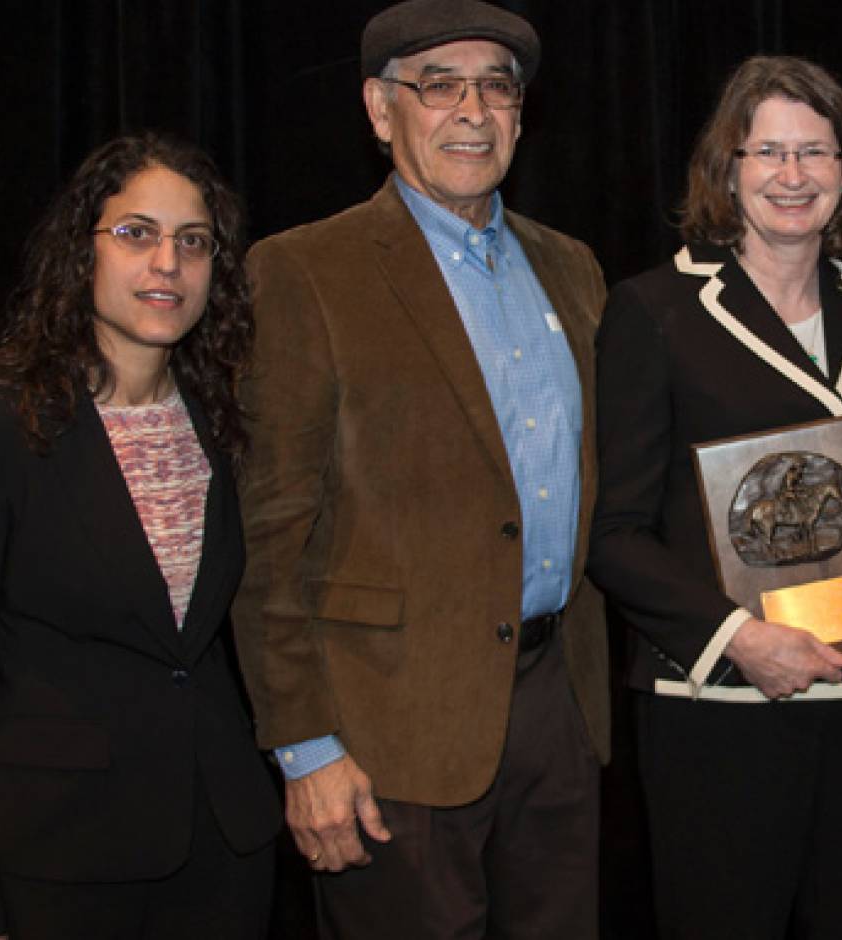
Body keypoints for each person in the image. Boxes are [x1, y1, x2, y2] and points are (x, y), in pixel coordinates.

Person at [230, 0, 610, 936]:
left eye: (497, 86)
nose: (472, 110)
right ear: (377, 108)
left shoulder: (574, 268)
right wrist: (305, 749)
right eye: (438, 85)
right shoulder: (305, 271)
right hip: (384, 731)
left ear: (521, 113)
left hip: (556, 711)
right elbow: (266, 535)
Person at [0, 133, 279, 939]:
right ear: (81, 253)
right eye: (137, 233)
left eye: (193, 241)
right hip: (58, 860)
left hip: (221, 851)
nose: (167, 263)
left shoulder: (223, 420)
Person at [589, 56, 842, 939]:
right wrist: (743, 640)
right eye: (766, 151)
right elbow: (614, 536)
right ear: (727, 170)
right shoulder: (654, 310)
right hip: (723, 710)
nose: (792, 175)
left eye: (815, 151)